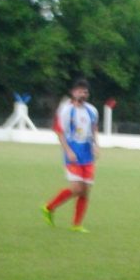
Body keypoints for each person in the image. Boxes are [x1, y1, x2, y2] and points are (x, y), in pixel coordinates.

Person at [42, 79, 98, 233]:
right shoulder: (66, 110)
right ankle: (49, 207)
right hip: (73, 153)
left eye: (85, 91)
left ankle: (77, 224)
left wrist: (96, 145)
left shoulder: (92, 110)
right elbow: (59, 132)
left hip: (88, 154)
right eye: (80, 90)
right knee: (76, 188)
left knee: (85, 190)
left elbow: (94, 129)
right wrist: (68, 150)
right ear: (73, 92)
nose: (83, 93)